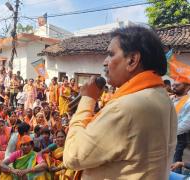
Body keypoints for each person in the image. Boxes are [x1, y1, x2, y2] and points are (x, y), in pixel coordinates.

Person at [63, 26, 177, 179]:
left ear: (132, 60)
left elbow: (72, 155)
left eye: (111, 54)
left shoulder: (126, 107)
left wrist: (87, 99)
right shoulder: (162, 98)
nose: (105, 62)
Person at [171, 79, 190, 173]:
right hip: (163, 133)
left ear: (187, 87)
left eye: (178, 84)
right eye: (174, 84)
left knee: (174, 161)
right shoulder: (170, 98)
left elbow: (186, 123)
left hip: (177, 136)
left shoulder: (188, 102)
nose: (174, 85)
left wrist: (169, 133)